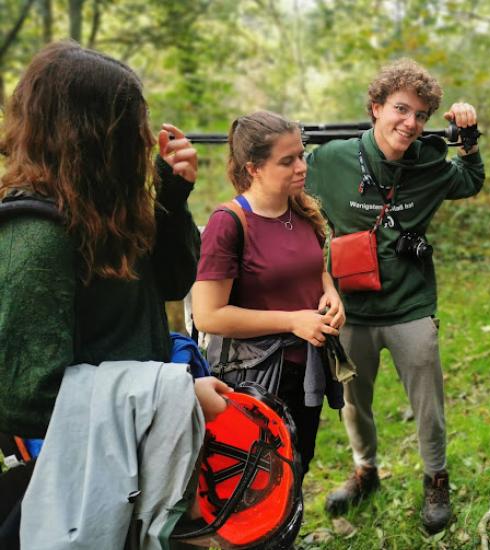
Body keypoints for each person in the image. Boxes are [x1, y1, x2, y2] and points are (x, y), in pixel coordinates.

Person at [0, 41, 230, 548]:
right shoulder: (35, 237)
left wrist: (171, 196)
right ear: (90, 137)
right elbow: (24, 397)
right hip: (78, 478)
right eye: (132, 128)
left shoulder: (106, 210)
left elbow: (172, 284)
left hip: (133, 456)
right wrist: (175, 397)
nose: (144, 139)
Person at [305, 58, 484, 533]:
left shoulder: (428, 160)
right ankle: (366, 470)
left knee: (428, 402)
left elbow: (469, 181)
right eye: (401, 109)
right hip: (350, 308)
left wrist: (467, 139)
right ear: (376, 107)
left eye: (421, 115)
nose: (410, 123)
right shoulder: (329, 160)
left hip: (410, 306)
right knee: (352, 400)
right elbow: (288, 196)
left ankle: (435, 477)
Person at [191, 110, 346, 476]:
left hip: (307, 367)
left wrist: (331, 294)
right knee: (256, 475)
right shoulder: (228, 223)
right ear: (253, 168)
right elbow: (208, 315)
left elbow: (314, 269)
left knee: (298, 463)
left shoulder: (301, 210)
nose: (301, 167)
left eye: (301, 155)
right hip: (255, 377)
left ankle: (287, 531)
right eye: (287, 160)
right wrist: (292, 321)